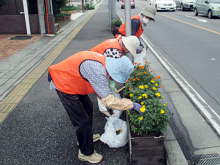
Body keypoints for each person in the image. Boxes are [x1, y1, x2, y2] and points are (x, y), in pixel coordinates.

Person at [48, 51, 142, 164]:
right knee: (82, 121)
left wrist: (107, 99)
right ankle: (85, 153)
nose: (115, 79)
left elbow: (99, 90)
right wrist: (131, 105)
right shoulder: (98, 70)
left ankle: (86, 137)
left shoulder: (104, 62)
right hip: (63, 83)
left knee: (88, 106)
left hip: (73, 79)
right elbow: (108, 100)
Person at [90, 35, 140, 117]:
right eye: (130, 50)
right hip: (94, 63)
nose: (128, 52)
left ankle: (105, 104)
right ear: (127, 46)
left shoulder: (118, 42)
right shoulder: (115, 50)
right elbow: (112, 70)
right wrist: (112, 80)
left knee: (104, 86)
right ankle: (103, 108)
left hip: (96, 59)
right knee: (101, 86)